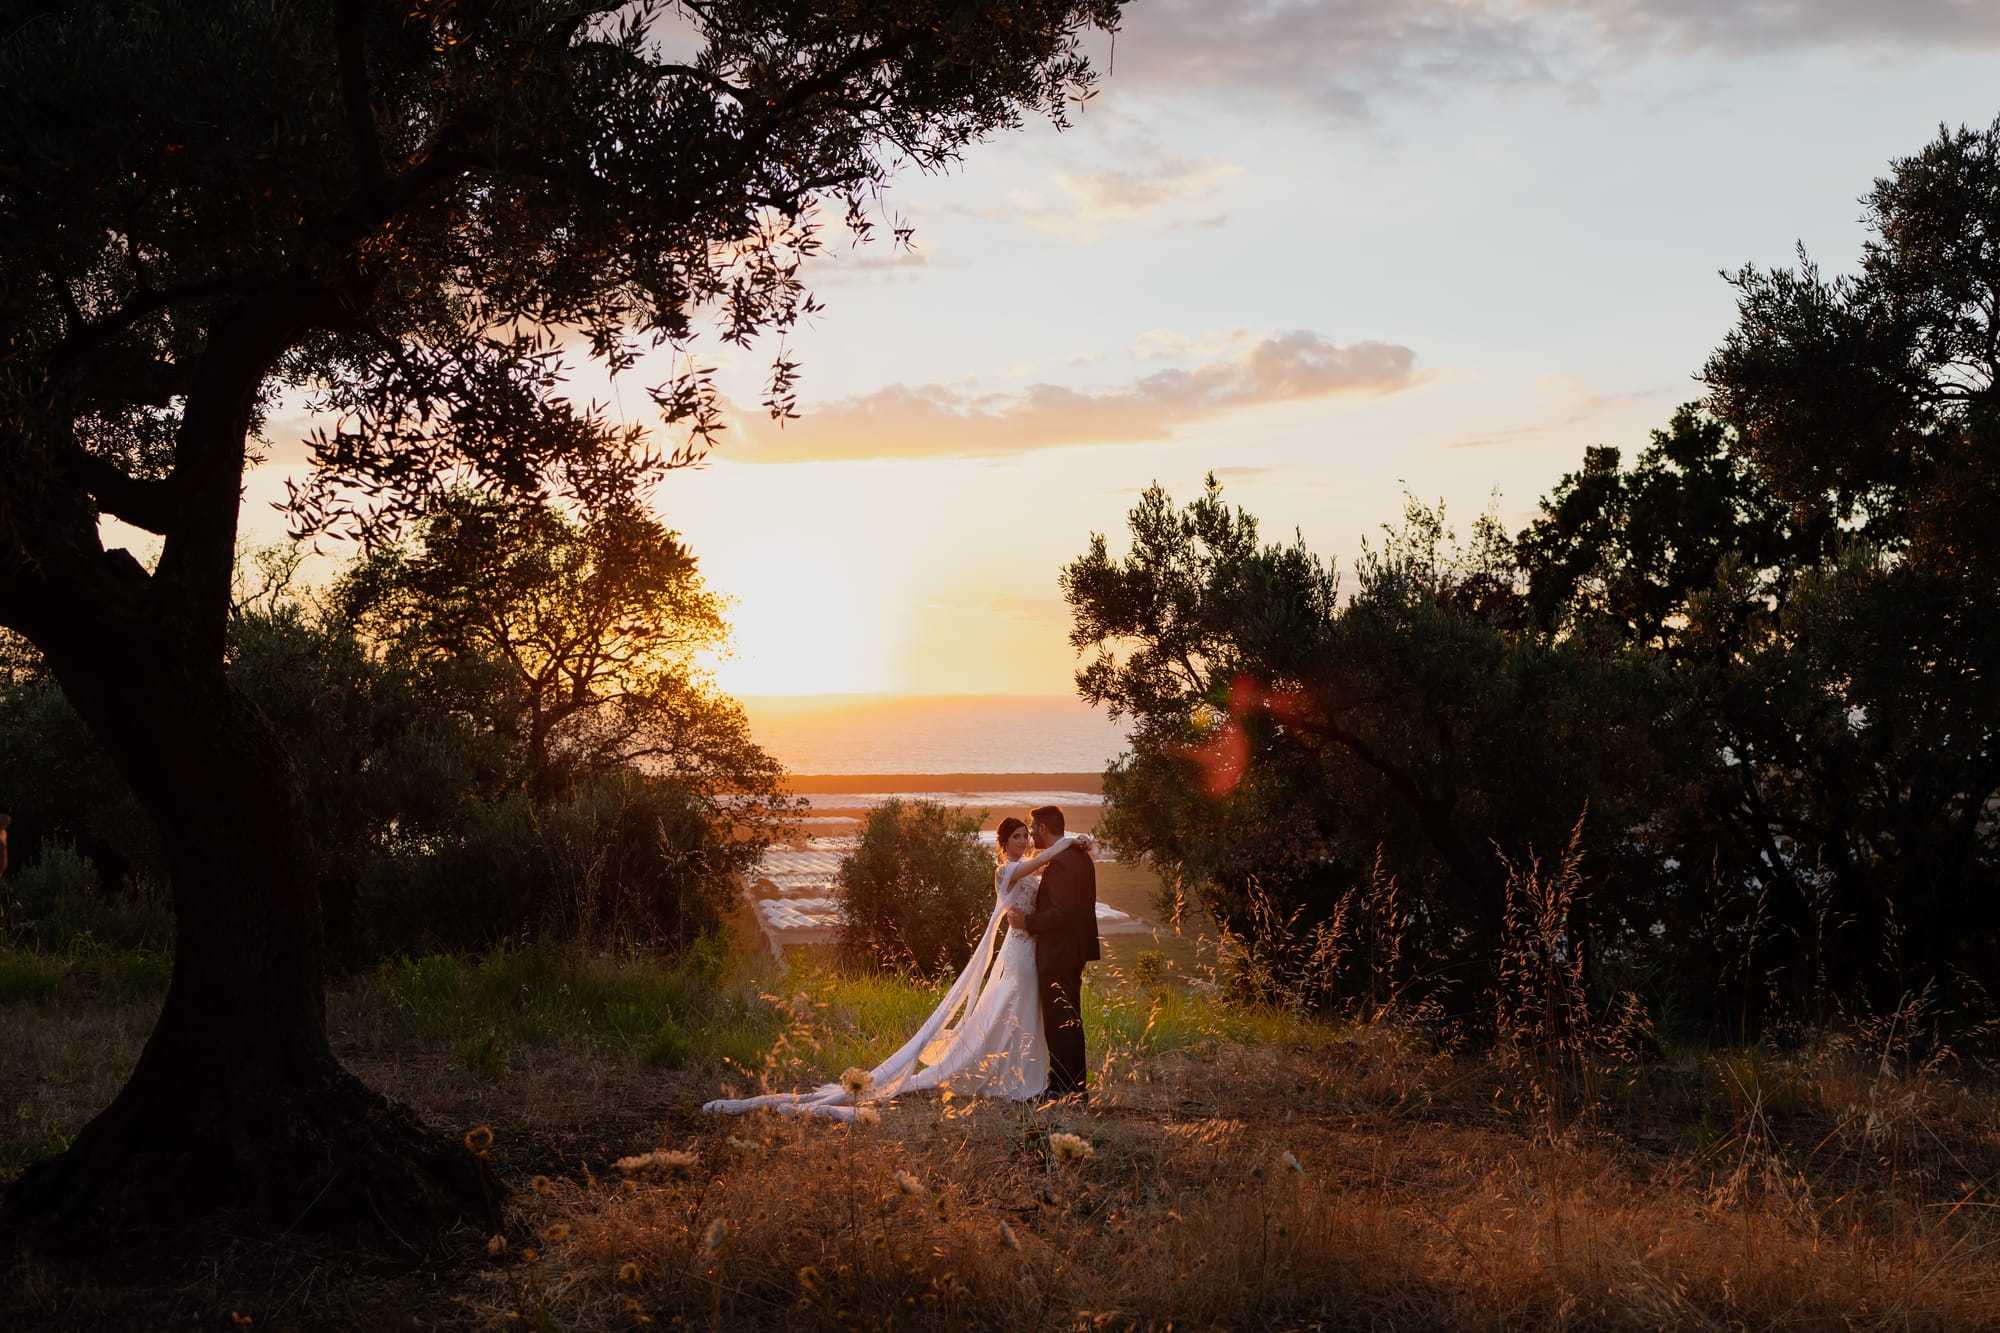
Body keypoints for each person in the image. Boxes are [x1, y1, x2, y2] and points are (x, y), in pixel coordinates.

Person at [702, 817, 1087, 1120]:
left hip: (1032, 948)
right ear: (1002, 844)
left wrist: (1071, 849)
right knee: (1015, 1007)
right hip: (1019, 952)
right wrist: (1067, 843)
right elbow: (1039, 863)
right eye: (1016, 836)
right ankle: (1009, 1077)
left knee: (1022, 1012)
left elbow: (1046, 879)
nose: (1023, 840)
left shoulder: (1031, 871)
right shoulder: (1006, 871)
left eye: (1025, 835)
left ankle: (1020, 1073)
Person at [1007, 804, 1098, 1100]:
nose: (1031, 835)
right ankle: (1071, 1086)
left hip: (1058, 952)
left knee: (1060, 1024)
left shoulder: (1061, 862)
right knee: (1069, 1020)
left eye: (1033, 829)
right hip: (1073, 950)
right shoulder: (1078, 856)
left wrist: (1027, 922)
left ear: (1043, 828)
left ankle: (1062, 1088)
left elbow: (1061, 912)